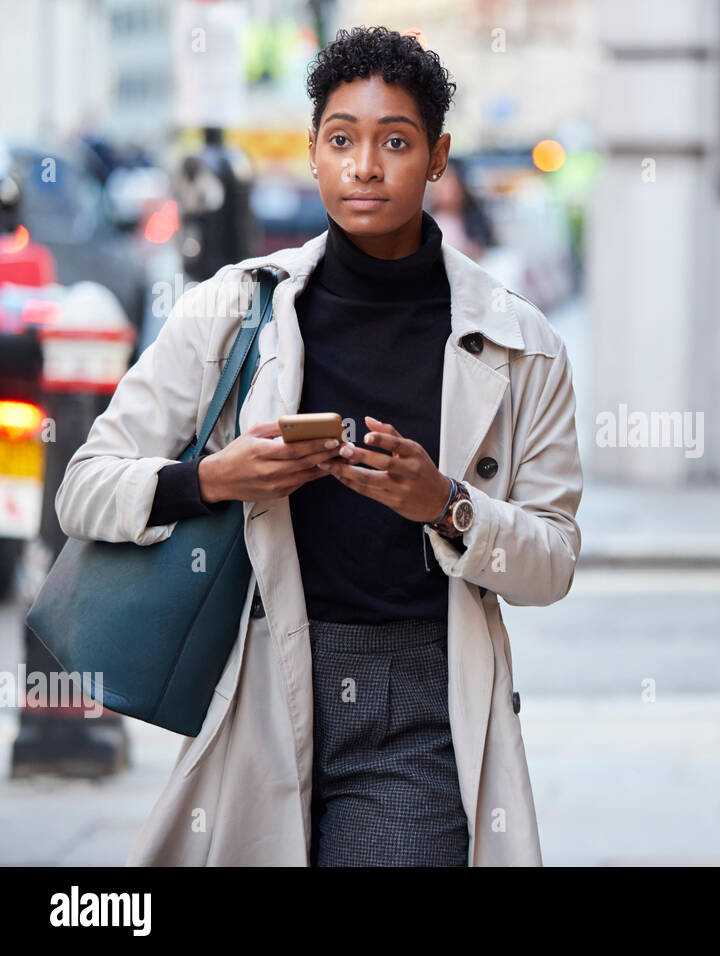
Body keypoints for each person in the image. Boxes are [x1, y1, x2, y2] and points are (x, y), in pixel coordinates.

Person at [53, 25, 582, 866]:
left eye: (395, 142)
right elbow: (83, 486)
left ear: (438, 157)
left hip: (423, 706)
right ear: (312, 152)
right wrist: (213, 480)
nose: (364, 166)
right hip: (260, 682)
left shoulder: (521, 344)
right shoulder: (234, 312)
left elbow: (551, 561)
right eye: (342, 139)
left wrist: (443, 504)